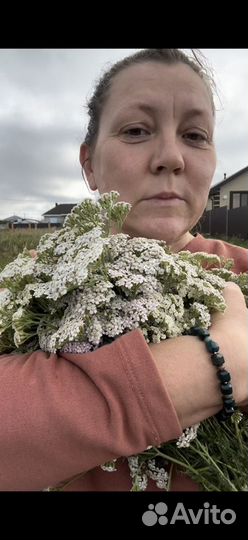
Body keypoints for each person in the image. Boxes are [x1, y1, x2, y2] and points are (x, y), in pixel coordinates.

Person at [0, 48, 247, 491]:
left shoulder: (241, 275)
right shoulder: (31, 285)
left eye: (195, 135)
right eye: (136, 130)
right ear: (89, 164)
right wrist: (222, 362)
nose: (171, 157)